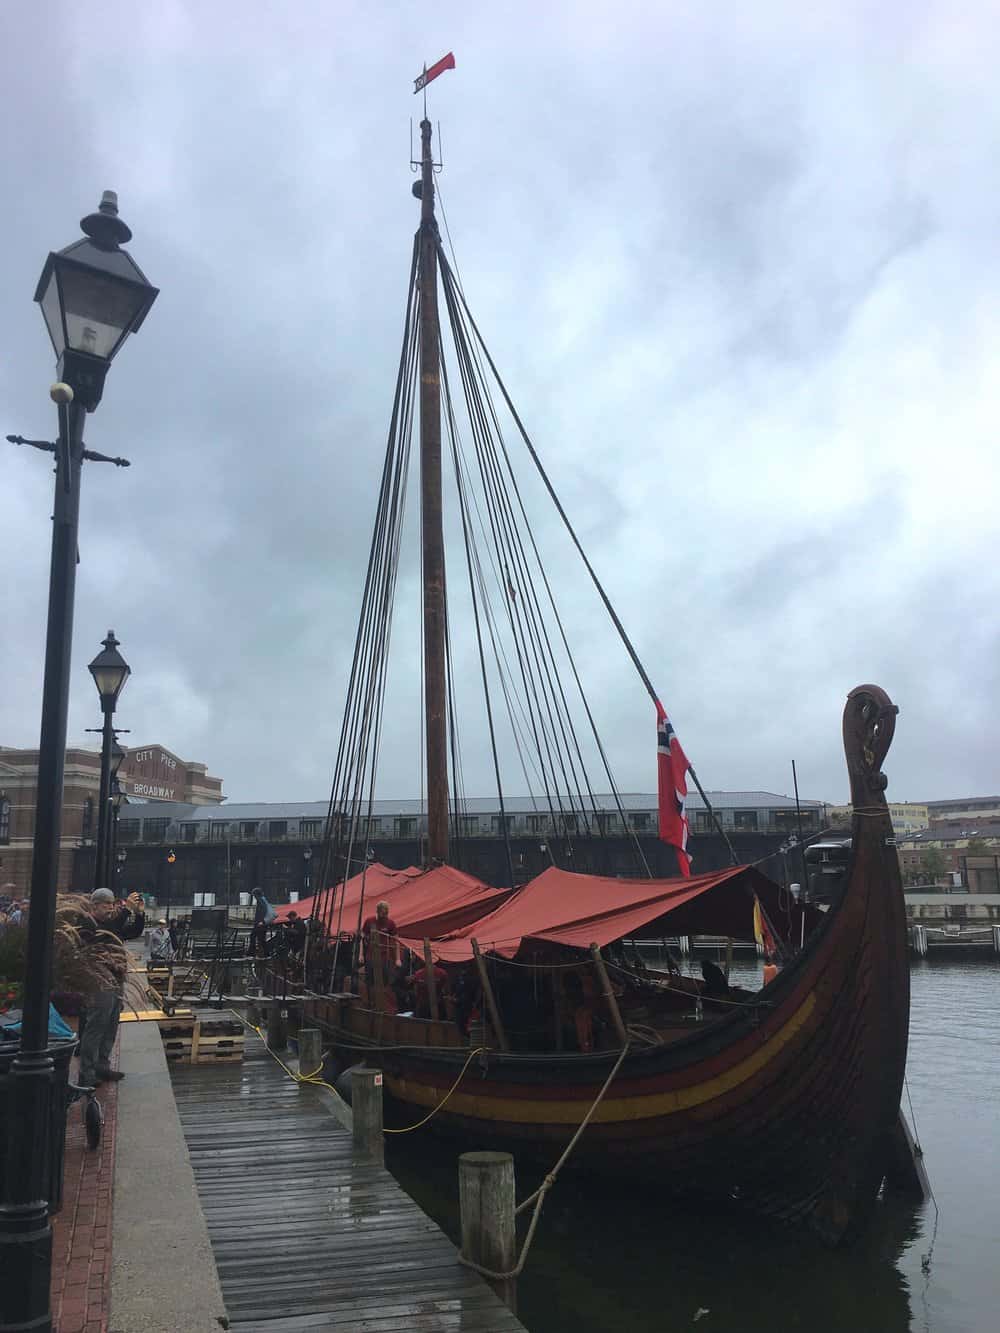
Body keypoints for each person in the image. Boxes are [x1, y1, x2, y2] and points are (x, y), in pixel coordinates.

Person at [78, 889, 145, 1086]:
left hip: (116, 978)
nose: (110, 908)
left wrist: (139, 914)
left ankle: (102, 1066)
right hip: (99, 980)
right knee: (96, 1026)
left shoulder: (110, 923)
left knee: (111, 1025)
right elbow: (106, 931)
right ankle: (87, 1072)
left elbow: (131, 932)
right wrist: (125, 910)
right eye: (106, 904)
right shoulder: (88, 924)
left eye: (112, 904)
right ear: (94, 906)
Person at [361, 900, 398, 982]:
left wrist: (397, 959)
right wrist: (361, 955)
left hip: (384, 957)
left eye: (385, 914)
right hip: (370, 955)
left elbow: (396, 941)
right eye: (382, 914)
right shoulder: (369, 921)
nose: (384, 917)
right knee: (370, 981)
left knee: (384, 980)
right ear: (377, 911)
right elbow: (362, 938)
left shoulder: (390, 923)